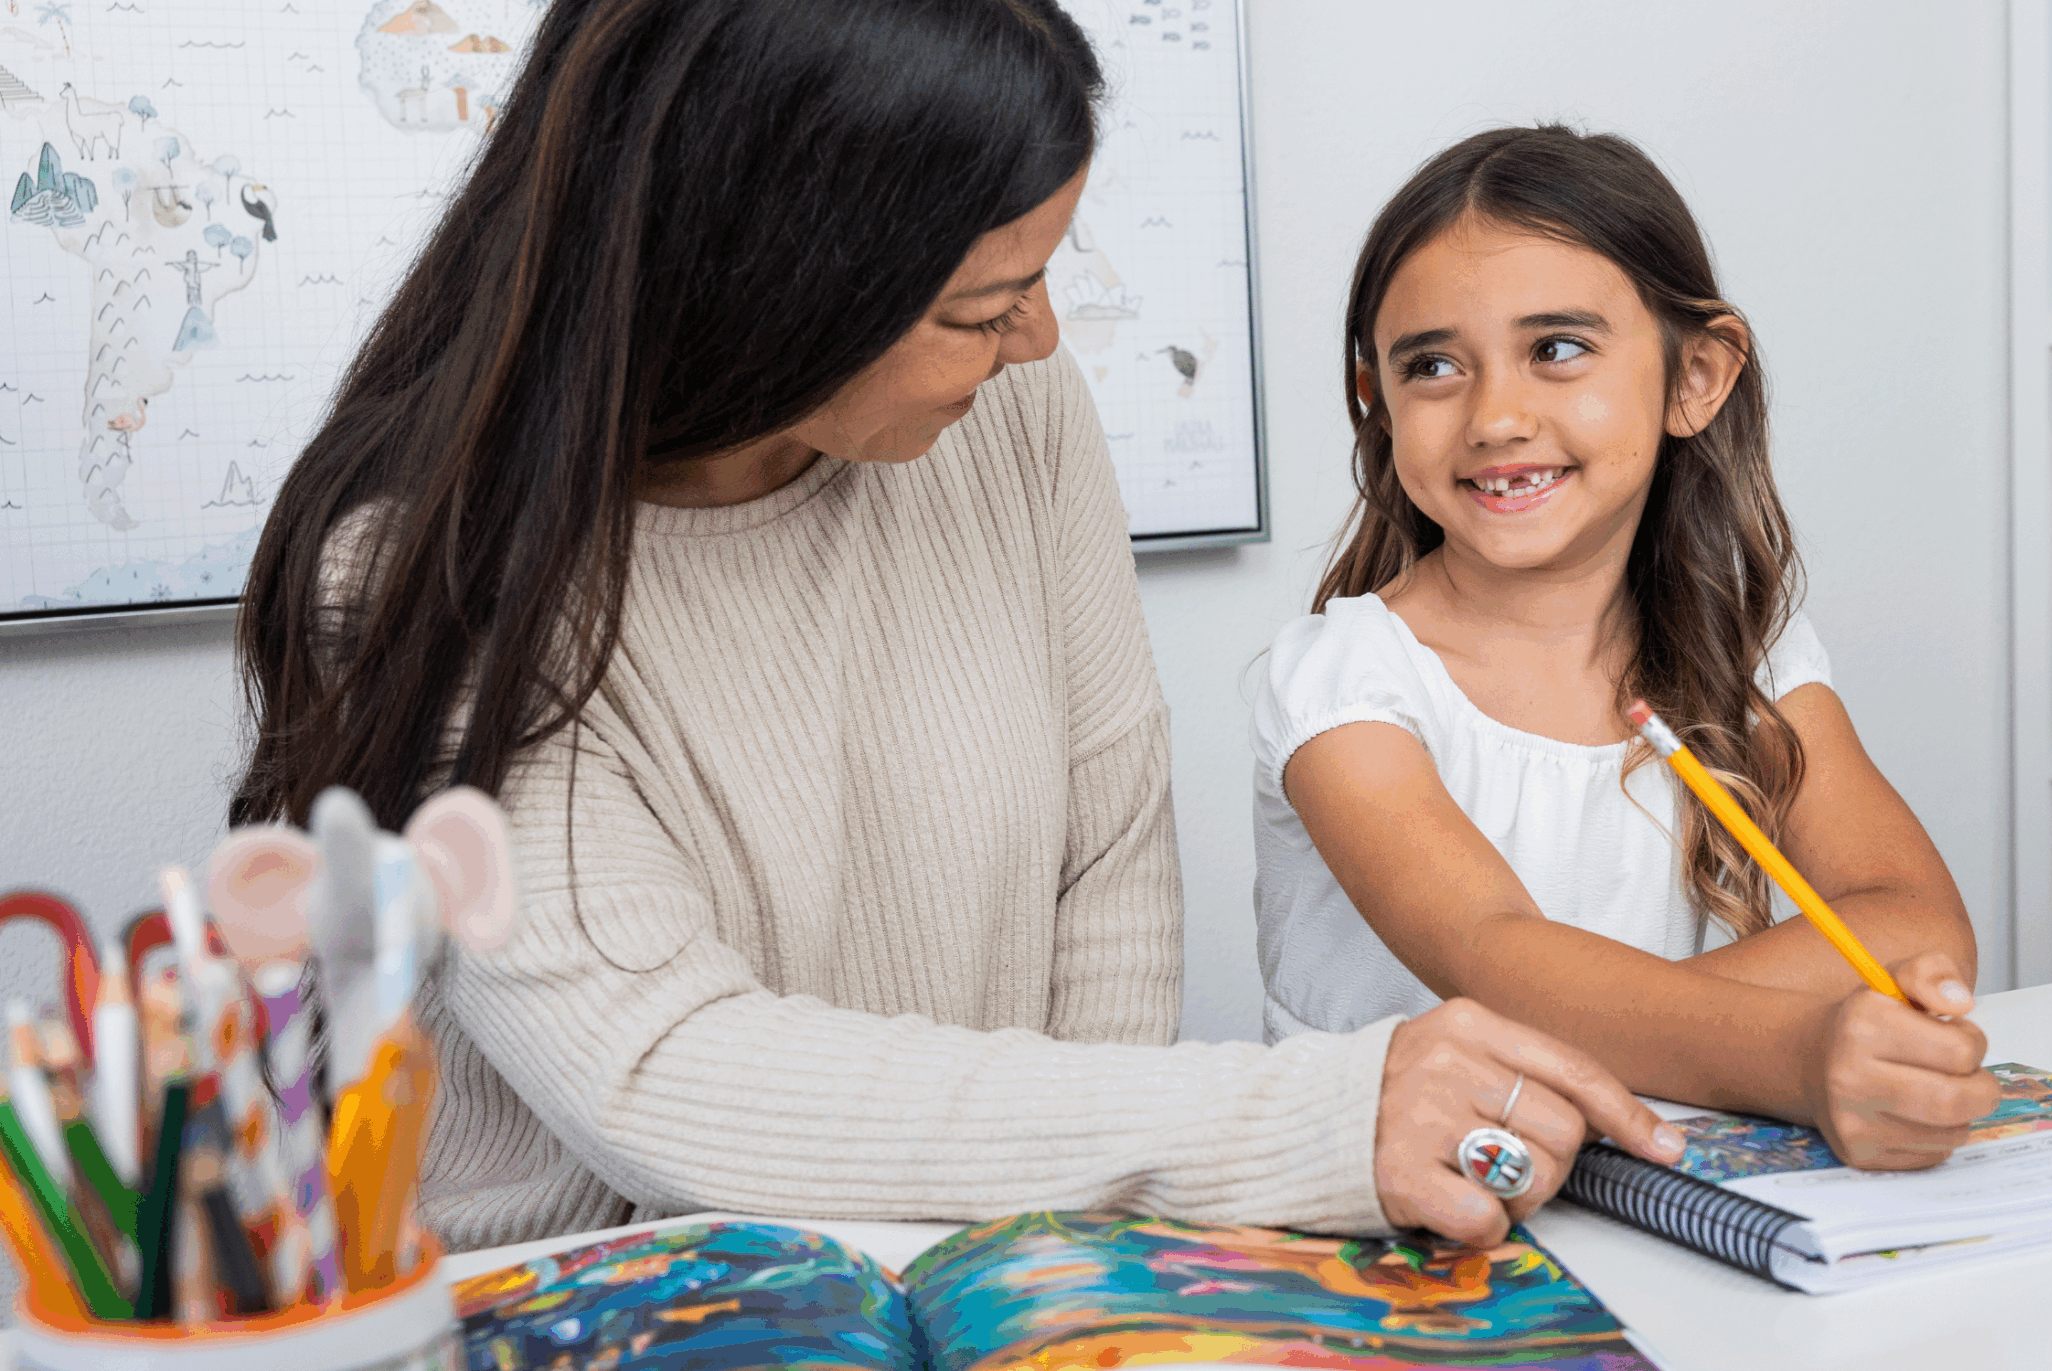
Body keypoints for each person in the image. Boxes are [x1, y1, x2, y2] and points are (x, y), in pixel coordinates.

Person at [230, 2, 1680, 1254]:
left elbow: (1106, 862)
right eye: (984, 304)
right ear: (777, 295)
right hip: (607, 1300)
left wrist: (1065, 1260)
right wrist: (1297, 1118)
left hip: (984, 1275)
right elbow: (666, 1069)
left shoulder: (1014, 411)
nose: (1038, 338)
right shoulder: (407, 575)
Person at [1252, 127, 2002, 1170]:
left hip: (1658, 1184)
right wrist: (1792, 1053)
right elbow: (1494, 959)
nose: (1496, 415)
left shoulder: (1750, 654)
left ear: (1696, 375)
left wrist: (1621, 1038)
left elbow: (1919, 928)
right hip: (1409, 1216)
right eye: (1432, 366)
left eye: (1556, 348)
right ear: (1376, 404)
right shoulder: (1339, 684)